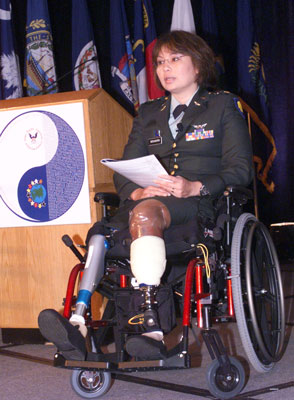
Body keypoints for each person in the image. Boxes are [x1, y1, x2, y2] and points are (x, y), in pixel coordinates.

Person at [38, 30, 253, 361]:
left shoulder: (222, 105)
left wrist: (196, 186)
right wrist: (137, 189)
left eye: (175, 59)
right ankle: (78, 321)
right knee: (101, 233)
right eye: (160, 62)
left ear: (198, 66)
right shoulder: (149, 112)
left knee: (144, 212)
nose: (165, 68)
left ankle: (151, 326)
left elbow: (241, 170)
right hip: (147, 203)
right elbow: (121, 170)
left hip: (197, 205)